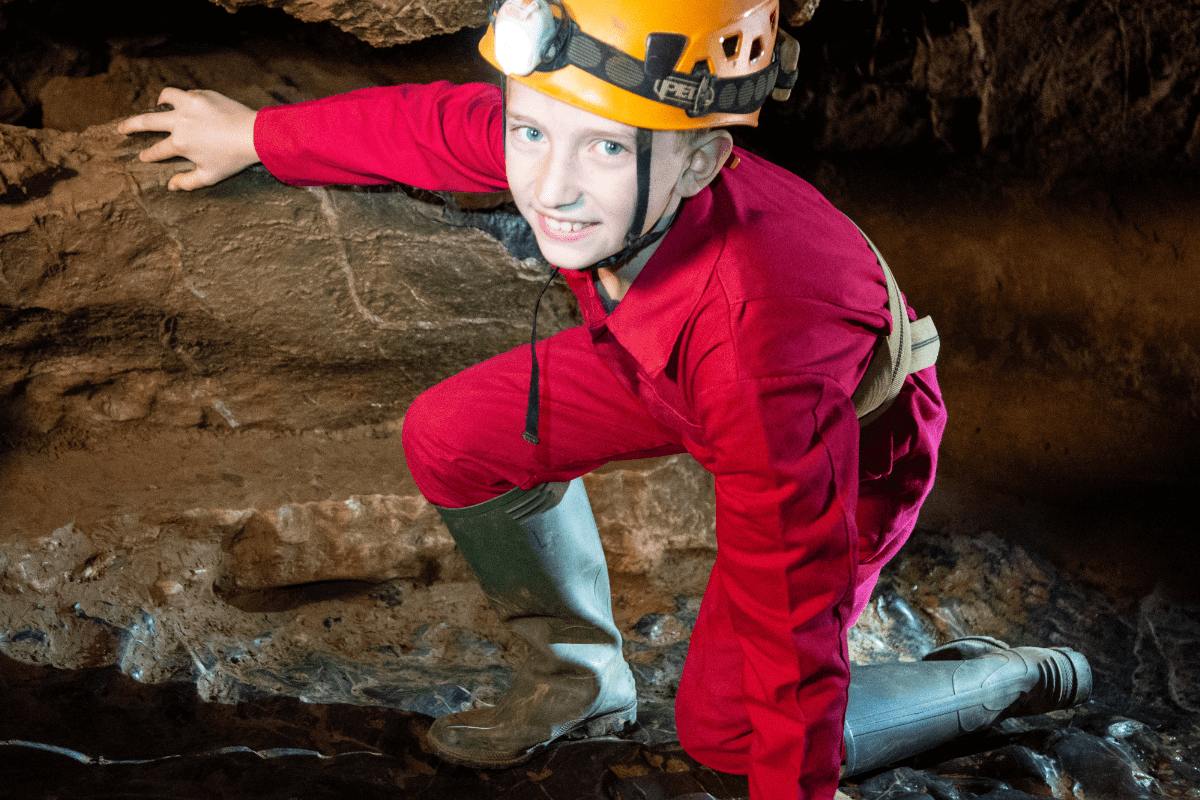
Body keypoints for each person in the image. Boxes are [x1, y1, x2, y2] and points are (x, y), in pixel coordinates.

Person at [118, 1, 1091, 796]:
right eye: (537, 130)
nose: (550, 187)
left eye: (605, 152)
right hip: (660, 352)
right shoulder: (595, 153)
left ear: (703, 162)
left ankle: (1002, 675)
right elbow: (440, 128)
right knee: (453, 436)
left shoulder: (760, 363)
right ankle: (577, 683)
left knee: (731, 734)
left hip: (846, 426)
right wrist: (251, 133)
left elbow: (790, 626)